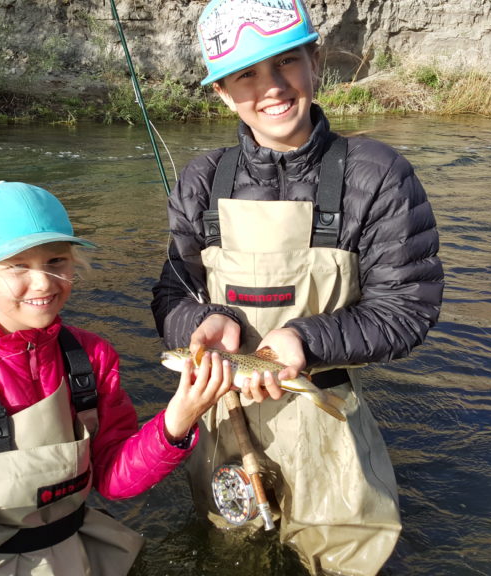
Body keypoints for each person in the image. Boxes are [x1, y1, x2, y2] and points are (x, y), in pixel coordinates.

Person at [150, 0, 444, 574]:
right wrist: (200, 324)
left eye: (286, 62)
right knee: (228, 559)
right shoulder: (201, 179)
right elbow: (172, 296)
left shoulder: (377, 173)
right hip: (222, 415)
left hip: (326, 421)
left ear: (315, 60)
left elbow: (409, 308)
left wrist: (304, 342)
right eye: (247, 75)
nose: (272, 87)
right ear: (222, 93)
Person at [0, 181, 233, 576]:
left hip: (78, 552)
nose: (44, 283)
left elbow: (113, 478)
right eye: (17, 265)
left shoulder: (94, 357)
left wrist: (178, 419)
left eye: (55, 262)